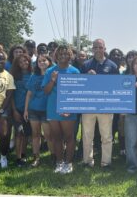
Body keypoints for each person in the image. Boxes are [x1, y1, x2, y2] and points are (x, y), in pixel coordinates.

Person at [81, 38, 119, 169]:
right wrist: (86, 76)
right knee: (87, 135)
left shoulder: (113, 66)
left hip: (105, 106)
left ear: (105, 48)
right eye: (95, 47)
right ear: (92, 49)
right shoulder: (86, 65)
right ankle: (87, 161)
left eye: (100, 47)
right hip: (88, 106)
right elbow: (79, 86)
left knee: (107, 136)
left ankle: (106, 162)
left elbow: (117, 87)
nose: (98, 50)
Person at [42, 45, 80, 174]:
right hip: (53, 108)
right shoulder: (50, 71)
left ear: (70, 55)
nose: (63, 56)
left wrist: (70, 108)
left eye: (66, 53)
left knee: (69, 137)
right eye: (61, 54)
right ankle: (59, 162)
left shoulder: (75, 71)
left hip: (69, 108)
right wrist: (53, 80)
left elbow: (78, 93)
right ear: (56, 55)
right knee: (56, 137)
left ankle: (68, 163)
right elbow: (46, 91)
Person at [24, 54, 54, 167]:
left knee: (48, 135)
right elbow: (29, 94)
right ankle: (36, 158)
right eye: (39, 61)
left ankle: (53, 156)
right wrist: (26, 110)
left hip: (47, 110)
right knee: (35, 135)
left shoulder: (53, 76)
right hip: (33, 110)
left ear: (49, 62)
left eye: (44, 60)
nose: (41, 62)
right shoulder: (33, 76)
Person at [11, 53, 32, 167]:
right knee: (19, 132)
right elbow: (11, 95)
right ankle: (18, 158)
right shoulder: (14, 76)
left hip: (29, 110)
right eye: (21, 62)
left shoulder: (32, 75)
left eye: (26, 61)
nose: (24, 63)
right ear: (17, 64)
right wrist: (14, 110)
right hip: (17, 109)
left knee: (26, 134)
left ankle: (23, 155)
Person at [0, 50, 16, 168]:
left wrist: (0, 111)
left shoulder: (8, 76)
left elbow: (9, 95)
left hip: (3, 110)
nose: (0, 61)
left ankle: (3, 156)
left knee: (3, 135)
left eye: (2, 59)